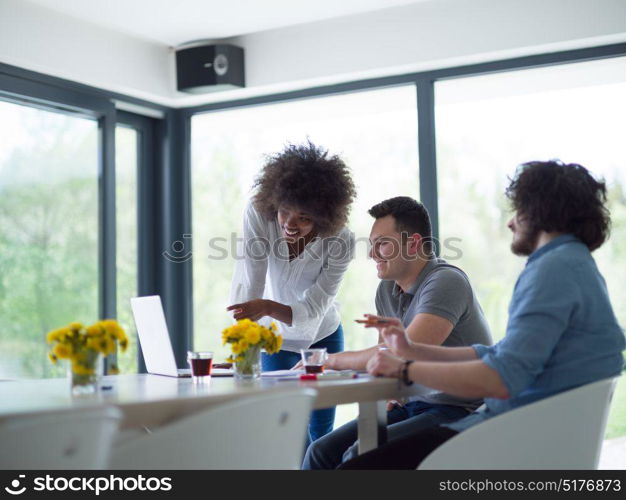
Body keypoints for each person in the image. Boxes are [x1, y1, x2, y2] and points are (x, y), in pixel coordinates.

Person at [340, 160, 626, 469]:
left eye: (518, 210)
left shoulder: (552, 270)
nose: (511, 223)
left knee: (358, 465)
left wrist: (407, 369)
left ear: (542, 211)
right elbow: (499, 354)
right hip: (520, 428)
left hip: (509, 437)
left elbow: (502, 377)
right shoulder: (572, 263)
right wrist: (412, 351)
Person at [302, 196, 492, 469]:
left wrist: (329, 359)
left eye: (382, 244)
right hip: (411, 404)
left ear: (413, 244)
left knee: (358, 457)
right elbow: (385, 359)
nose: (371, 254)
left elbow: (401, 351)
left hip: (457, 408)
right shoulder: (387, 289)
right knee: (320, 452)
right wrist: (392, 390)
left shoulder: (446, 281)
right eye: (371, 245)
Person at [227, 141, 356, 444]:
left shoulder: (342, 240)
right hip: (275, 339)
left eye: (304, 218)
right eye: (285, 211)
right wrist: (242, 347)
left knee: (319, 435)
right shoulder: (260, 214)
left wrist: (269, 306)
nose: (290, 224)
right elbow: (250, 281)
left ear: (324, 218)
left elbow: (314, 308)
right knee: (284, 431)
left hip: (323, 336)